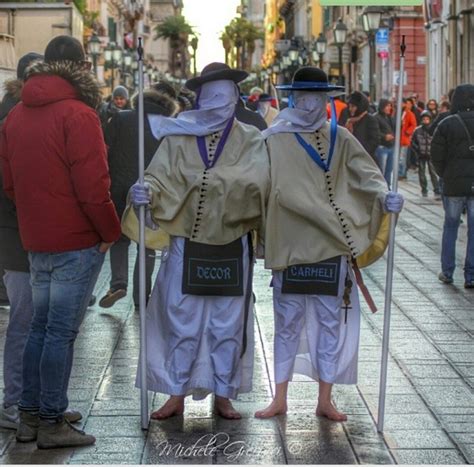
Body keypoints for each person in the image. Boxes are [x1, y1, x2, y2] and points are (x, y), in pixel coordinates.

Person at [254, 67, 404, 421]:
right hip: (289, 246)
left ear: (327, 99)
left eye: (318, 97)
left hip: (331, 245)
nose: (311, 103)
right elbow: (252, 186)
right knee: (286, 322)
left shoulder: (340, 136)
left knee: (329, 322)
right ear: (293, 97)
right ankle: (279, 397)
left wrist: (385, 196)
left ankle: (325, 399)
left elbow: (367, 174)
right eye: (304, 96)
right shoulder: (272, 139)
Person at [125, 62, 270, 420]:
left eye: (225, 97)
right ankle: (175, 391)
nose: (219, 104)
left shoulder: (251, 138)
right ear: (201, 99)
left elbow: (260, 182)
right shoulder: (177, 135)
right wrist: (144, 191)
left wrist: (219, 186)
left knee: (227, 323)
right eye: (212, 97)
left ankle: (224, 392)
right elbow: (158, 176)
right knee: (180, 317)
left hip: (232, 244)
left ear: (235, 98)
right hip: (185, 242)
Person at [0, 36, 121, 448]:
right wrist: (109, 232)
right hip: (74, 239)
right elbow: (94, 186)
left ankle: (30, 416)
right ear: (80, 66)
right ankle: (52, 420)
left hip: (36, 238)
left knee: (39, 327)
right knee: (59, 333)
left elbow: (10, 183)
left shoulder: (16, 114)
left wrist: (37, 217)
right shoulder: (79, 114)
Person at [99, 84, 178, 310]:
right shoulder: (165, 126)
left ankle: (118, 283)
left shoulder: (121, 119)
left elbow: (105, 151)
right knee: (146, 243)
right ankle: (141, 295)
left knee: (119, 238)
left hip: (119, 187)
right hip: (150, 189)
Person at [431, 84, 474, 288]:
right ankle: (471, 275)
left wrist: (445, 175)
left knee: (450, 226)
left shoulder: (447, 124)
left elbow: (436, 156)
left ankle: (447, 271)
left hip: (453, 184)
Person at [411, 111, 440, 198]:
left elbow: (436, 141)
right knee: (422, 173)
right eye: (424, 119)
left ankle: (436, 189)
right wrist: (417, 149)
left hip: (431, 154)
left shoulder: (434, 129)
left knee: (433, 173)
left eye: (427, 119)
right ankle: (424, 189)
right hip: (421, 154)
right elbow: (413, 142)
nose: (425, 121)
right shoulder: (417, 130)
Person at [345, 91, 380, 161]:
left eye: (353, 106)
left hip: (365, 159)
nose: (350, 109)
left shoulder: (370, 119)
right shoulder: (348, 119)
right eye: (349, 106)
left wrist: (361, 153)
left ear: (360, 106)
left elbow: (375, 140)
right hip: (349, 158)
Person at [374, 99, 395, 185]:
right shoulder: (376, 117)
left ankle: (388, 187)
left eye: (390, 106)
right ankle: (382, 187)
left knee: (389, 170)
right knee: (381, 169)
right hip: (382, 147)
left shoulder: (389, 117)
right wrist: (384, 136)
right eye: (387, 106)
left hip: (390, 146)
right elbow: (375, 131)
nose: (389, 108)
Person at [399, 98, 417, 179]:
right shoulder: (398, 112)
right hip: (398, 139)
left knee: (402, 158)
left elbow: (413, 125)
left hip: (404, 138)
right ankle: (400, 172)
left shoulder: (409, 114)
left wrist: (407, 132)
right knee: (399, 157)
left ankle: (401, 173)